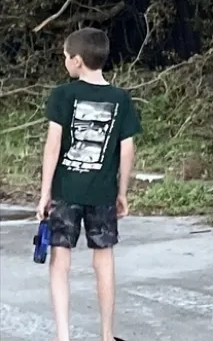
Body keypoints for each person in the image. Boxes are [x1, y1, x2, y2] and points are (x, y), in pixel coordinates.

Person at [36, 27, 141, 341]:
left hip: (65, 192)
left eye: (66, 57)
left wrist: (44, 194)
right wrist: (121, 192)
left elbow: (53, 146)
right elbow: (127, 148)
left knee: (60, 260)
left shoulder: (63, 95)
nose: (65, 61)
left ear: (77, 61)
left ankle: (63, 337)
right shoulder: (120, 99)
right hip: (103, 193)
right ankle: (107, 336)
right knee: (104, 260)